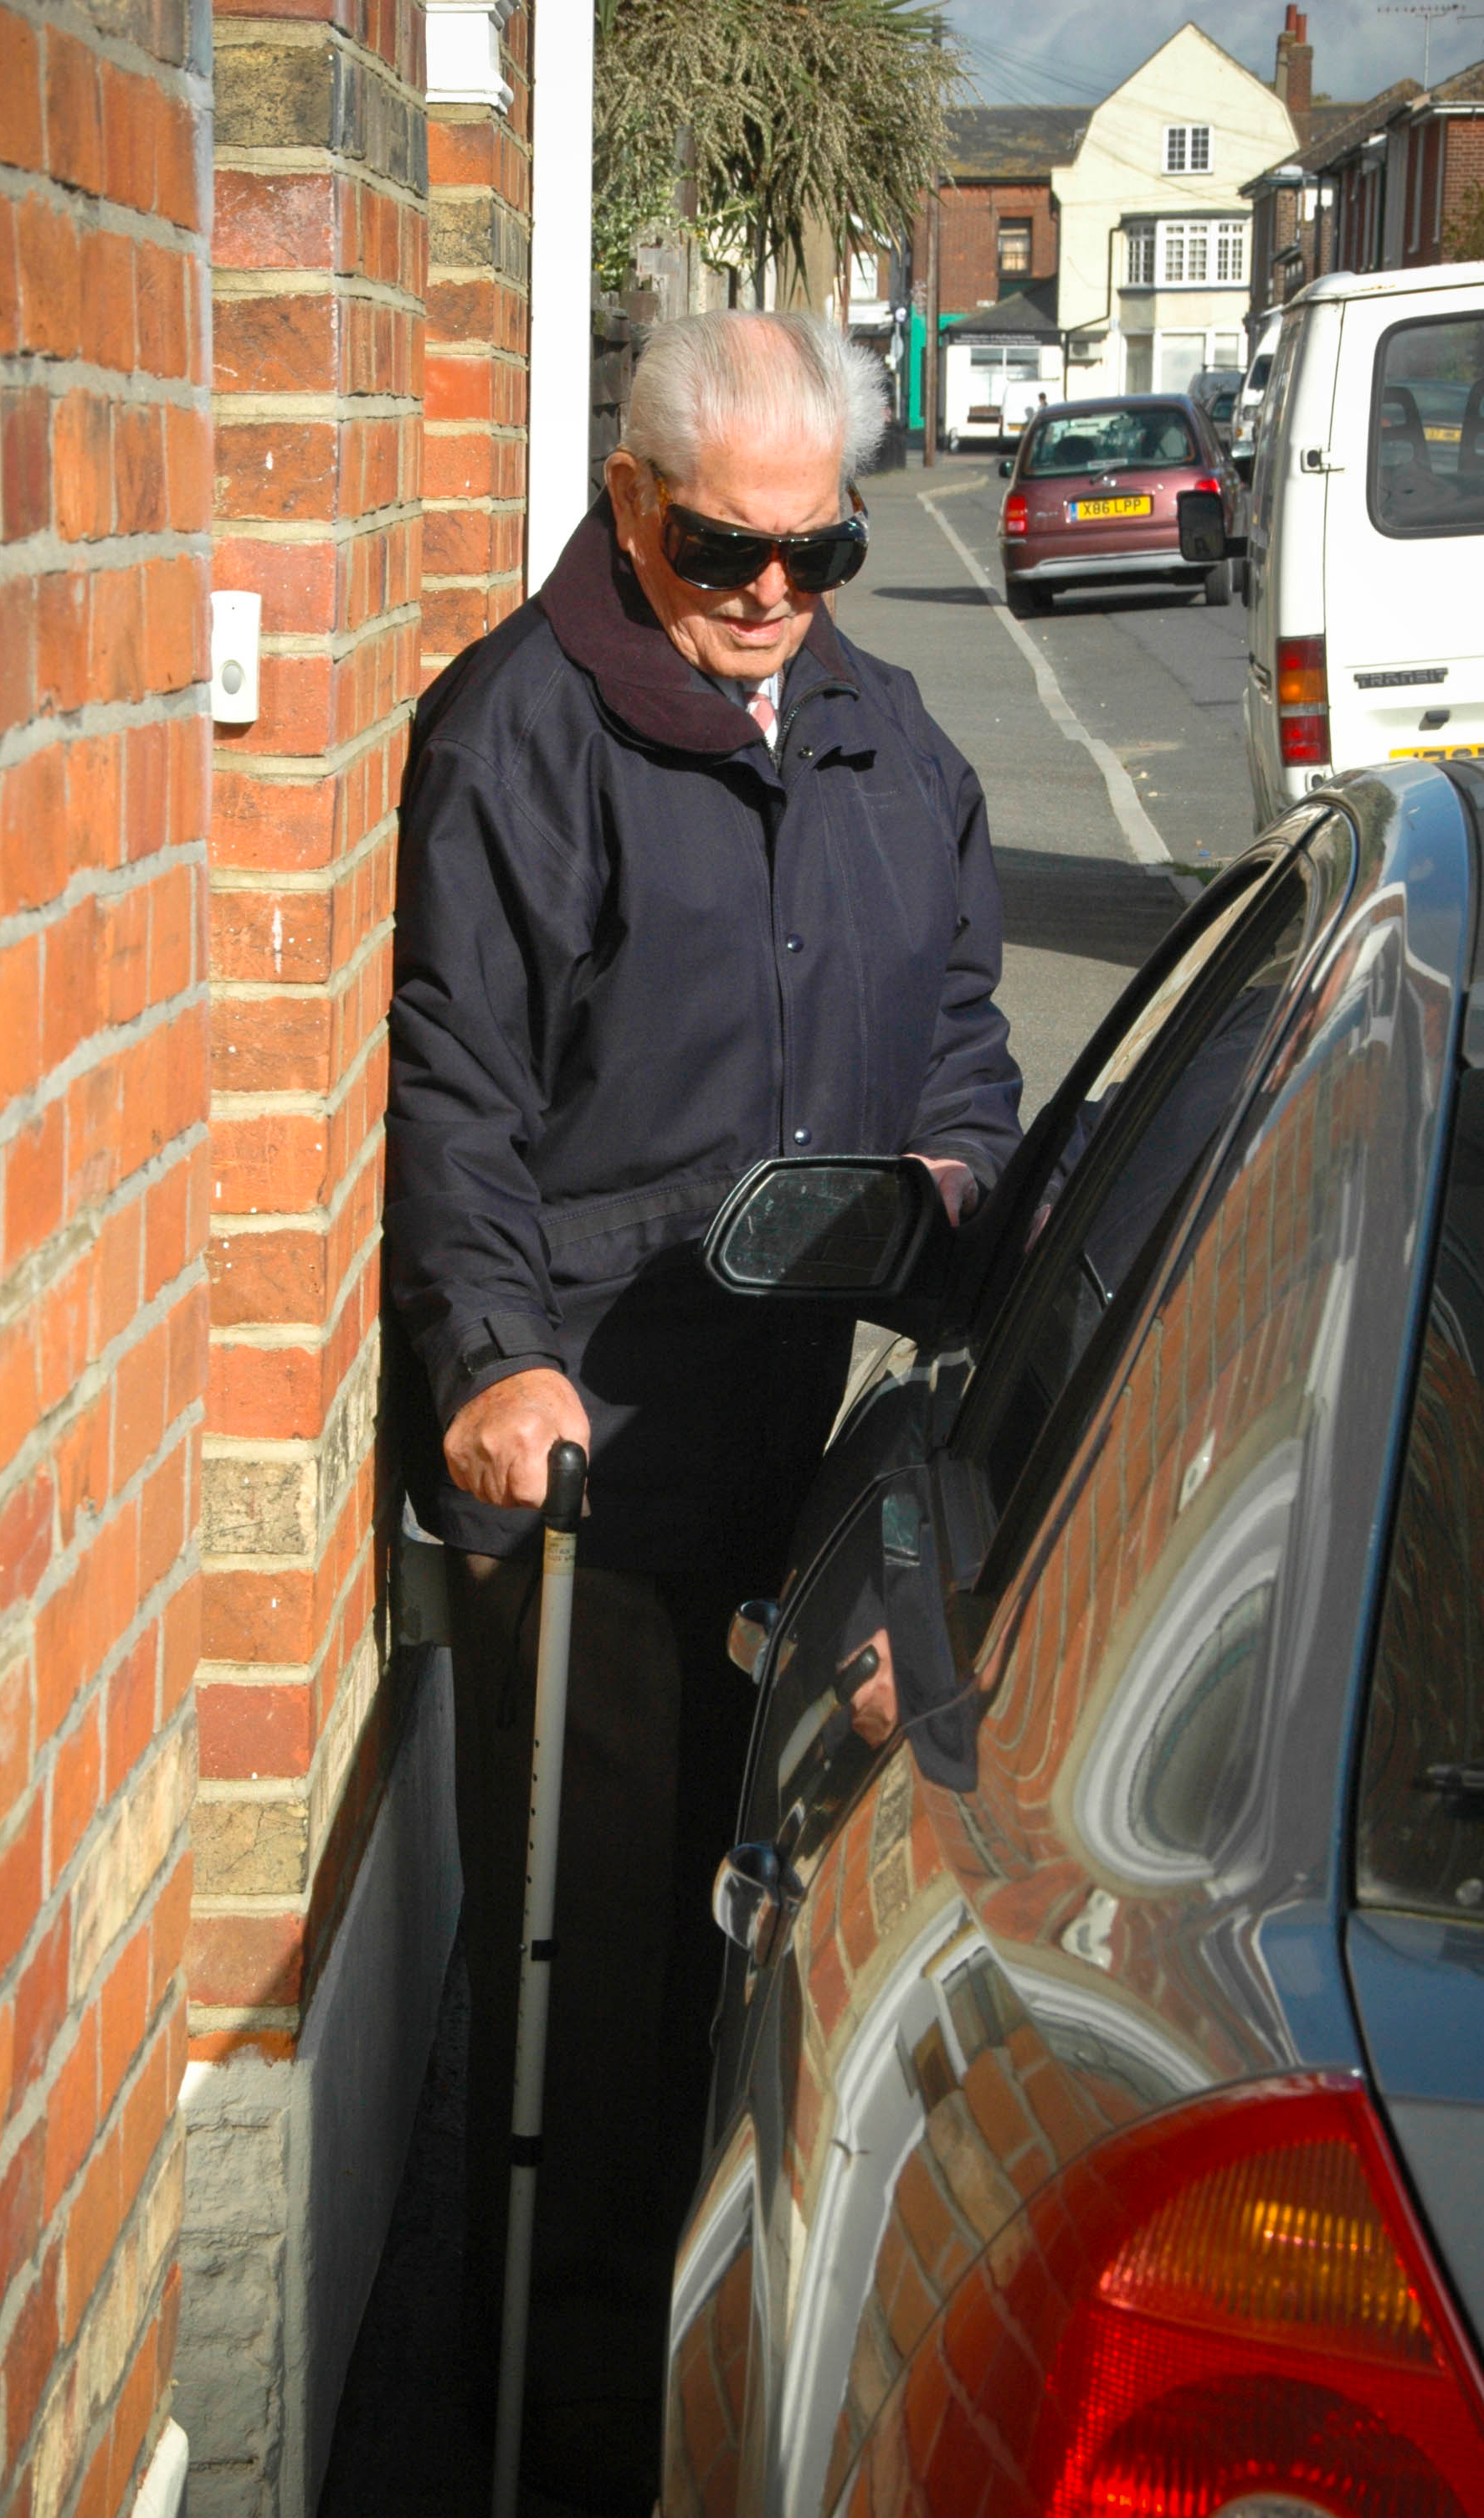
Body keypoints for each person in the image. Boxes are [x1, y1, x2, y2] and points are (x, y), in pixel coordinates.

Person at [384, 311, 1020, 2511]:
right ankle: (558, 2446)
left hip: (800, 1430)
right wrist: (491, 1359)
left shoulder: (887, 735)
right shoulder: (520, 735)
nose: (774, 594)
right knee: (601, 1998)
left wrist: (946, 1180)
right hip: (590, 1473)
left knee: (766, 1969)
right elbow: (456, 1099)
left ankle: (698, 2395)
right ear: (639, 500)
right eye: (729, 549)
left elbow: (964, 1039)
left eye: (820, 545)